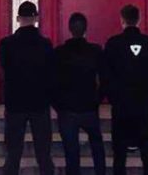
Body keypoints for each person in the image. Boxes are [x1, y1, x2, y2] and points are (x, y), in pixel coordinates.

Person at [103, 4, 148, 175]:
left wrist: (113, 98)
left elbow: (106, 76)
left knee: (119, 156)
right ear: (139, 20)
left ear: (122, 20)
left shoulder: (113, 44)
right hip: (143, 107)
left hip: (121, 108)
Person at [0, 1, 56, 175]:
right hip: (40, 103)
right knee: (44, 154)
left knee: (13, 154)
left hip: (15, 103)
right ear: (36, 18)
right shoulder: (45, 44)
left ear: (18, 18)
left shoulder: (6, 44)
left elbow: (5, 69)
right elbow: (50, 73)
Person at [54, 12, 106, 175]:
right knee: (97, 149)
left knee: (71, 154)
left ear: (70, 29)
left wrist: (58, 106)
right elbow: (105, 79)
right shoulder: (95, 51)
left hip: (67, 109)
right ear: (86, 30)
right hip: (89, 107)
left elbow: (51, 82)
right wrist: (98, 100)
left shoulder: (59, 53)